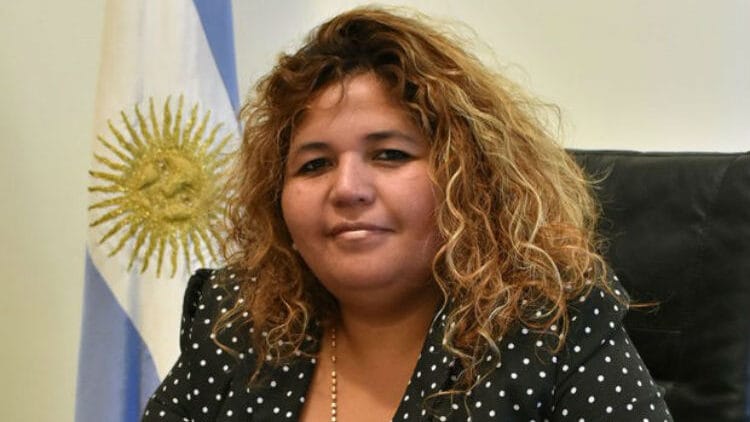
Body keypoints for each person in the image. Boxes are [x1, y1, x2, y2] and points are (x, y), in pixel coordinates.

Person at [143, 6, 672, 421]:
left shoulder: (550, 326)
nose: (347, 189)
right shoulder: (239, 319)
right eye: (314, 164)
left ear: (469, 179)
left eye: (390, 155)